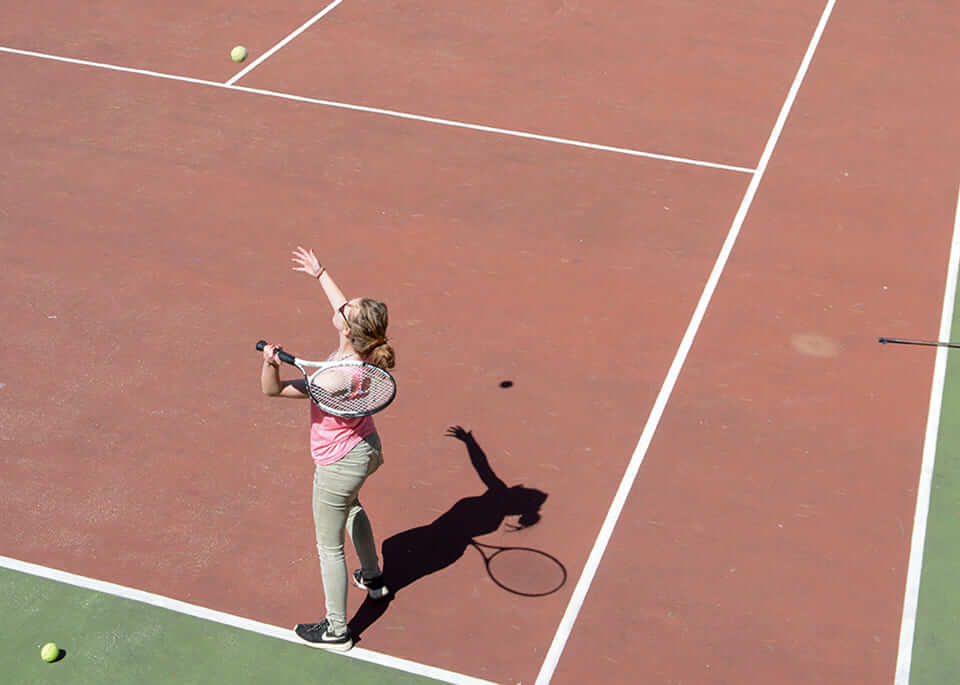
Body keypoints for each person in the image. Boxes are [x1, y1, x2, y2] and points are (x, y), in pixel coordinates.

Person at [259, 246, 395, 651]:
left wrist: (270, 363)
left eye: (345, 311)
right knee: (351, 506)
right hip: (366, 447)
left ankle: (337, 629)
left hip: (338, 462)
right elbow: (346, 308)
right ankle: (372, 575)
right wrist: (321, 274)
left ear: (348, 331)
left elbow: (275, 390)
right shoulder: (365, 351)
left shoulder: (332, 380)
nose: (341, 306)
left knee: (328, 546)